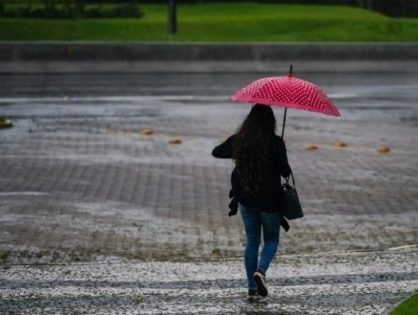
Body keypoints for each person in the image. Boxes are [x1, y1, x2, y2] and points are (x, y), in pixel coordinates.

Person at [211, 104, 291, 301]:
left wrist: (235, 147)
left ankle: (251, 289)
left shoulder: (240, 141)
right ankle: (261, 271)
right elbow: (285, 171)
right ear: (270, 121)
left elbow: (217, 152)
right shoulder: (275, 142)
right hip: (270, 200)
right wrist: (279, 147)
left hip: (246, 198)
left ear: (249, 121)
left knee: (252, 242)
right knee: (271, 239)